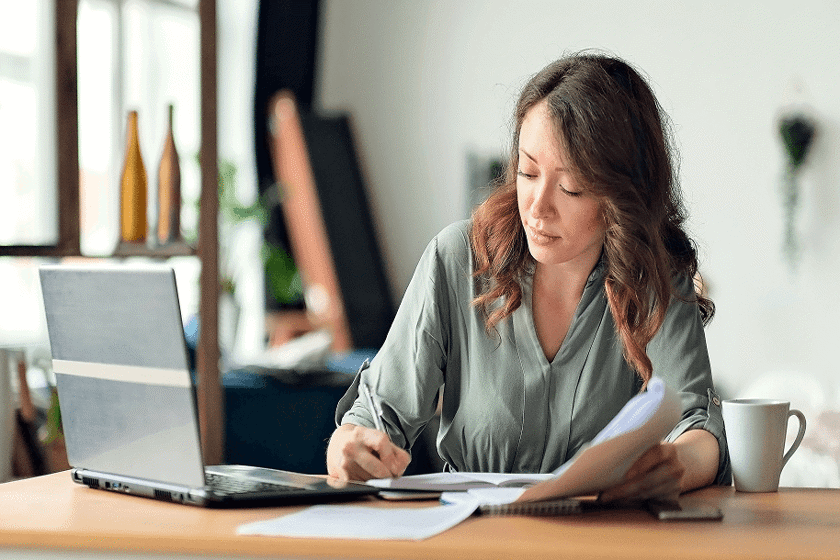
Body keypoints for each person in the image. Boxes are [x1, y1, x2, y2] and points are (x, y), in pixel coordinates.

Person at [326, 51, 731, 502]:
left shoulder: (655, 279)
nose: (537, 207)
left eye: (571, 187)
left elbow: (698, 427)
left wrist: (675, 464)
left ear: (623, 194)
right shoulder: (455, 260)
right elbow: (375, 417)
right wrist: (349, 446)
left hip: (604, 540)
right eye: (528, 171)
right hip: (469, 539)